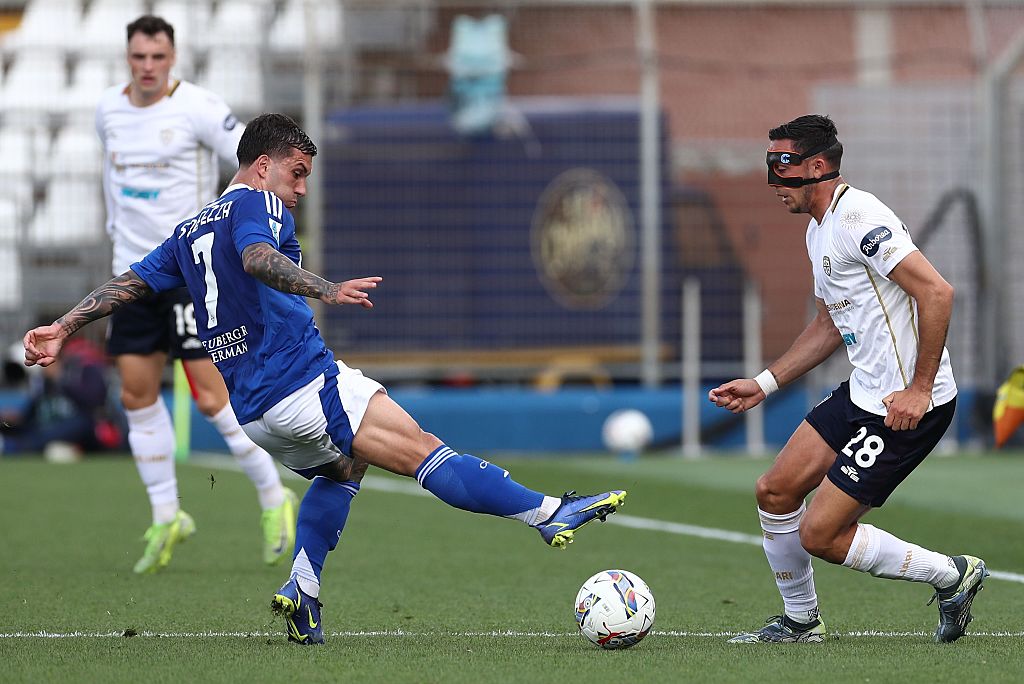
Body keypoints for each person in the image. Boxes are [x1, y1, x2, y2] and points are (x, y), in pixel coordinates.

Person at [25, 113, 627, 646]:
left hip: (258, 412)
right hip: (300, 383)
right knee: (425, 454)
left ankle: (303, 589)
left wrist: (63, 325)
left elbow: (129, 285)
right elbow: (258, 257)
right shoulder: (256, 205)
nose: (301, 188)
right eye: (296, 172)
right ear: (263, 166)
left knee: (345, 469)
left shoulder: (189, 230)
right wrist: (326, 288)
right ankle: (547, 513)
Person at [709, 114, 987, 644]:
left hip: (907, 407)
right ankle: (800, 622)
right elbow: (828, 325)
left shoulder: (860, 217)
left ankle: (953, 574)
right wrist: (763, 383)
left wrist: (920, 388)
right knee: (774, 490)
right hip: (864, 393)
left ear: (818, 166)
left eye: (782, 165)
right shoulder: (820, 230)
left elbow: (938, 293)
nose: (773, 181)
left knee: (821, 534)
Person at [94, 15, 297, 574]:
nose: (149, 67)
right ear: (128, 57)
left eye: (158, 57)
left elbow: (252, 164)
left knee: (210, 395)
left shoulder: (200, 108)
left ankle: (272, 495)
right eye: (139, 57)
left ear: (173, 56)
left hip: (188, 273)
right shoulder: (107, 110)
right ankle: (168, 515)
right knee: (136, 393)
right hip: (134, 273)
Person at [1, 338, 122, 458]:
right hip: (49, 425)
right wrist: (16, 419)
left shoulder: (82, 371)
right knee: (22, 427)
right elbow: (35, 409)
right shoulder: (42, 381)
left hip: (79, 424)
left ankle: (16, 446)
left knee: (76, 424)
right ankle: (14, 444)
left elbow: (92, 402)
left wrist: (59, 378)